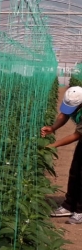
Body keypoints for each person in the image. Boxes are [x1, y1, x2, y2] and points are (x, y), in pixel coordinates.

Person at [41, 86, 82, 223]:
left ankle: (80, 211)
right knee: (75, 171)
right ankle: (69, 205)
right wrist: (53, 128)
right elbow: (64, 115)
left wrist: (53, 145)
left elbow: (77, 135)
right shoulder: (75, 99)